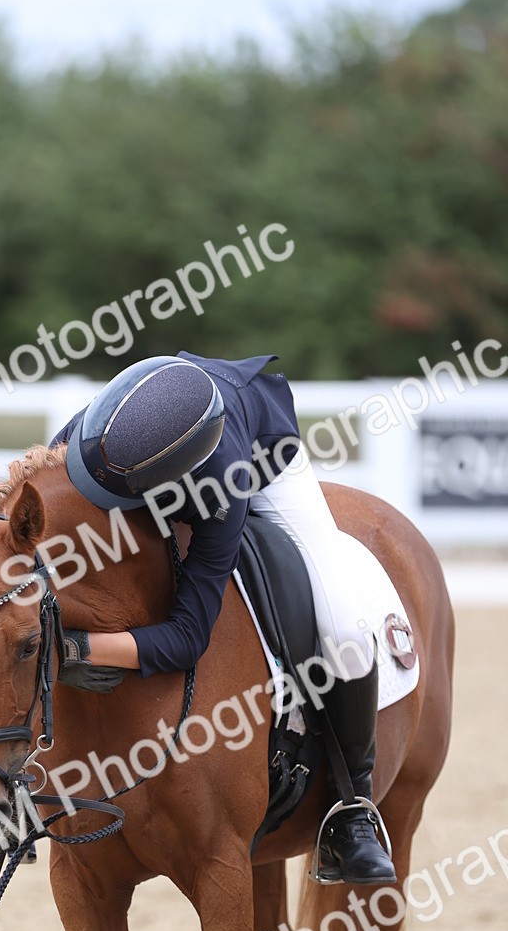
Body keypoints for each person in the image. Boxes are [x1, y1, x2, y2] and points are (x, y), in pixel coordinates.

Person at [50, 352, 396, 885]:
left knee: (346, 627)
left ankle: (353, 809)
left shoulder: (224, 484)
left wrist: (77, 649)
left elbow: (189, 638)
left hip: (261, 458)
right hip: (152, 445)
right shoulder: (85, 439)